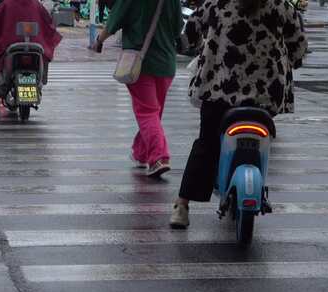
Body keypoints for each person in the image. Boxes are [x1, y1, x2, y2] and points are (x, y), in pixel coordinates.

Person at [169, 0, 307, 228]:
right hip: (265, 97)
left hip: (218, 92)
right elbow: (299, 45)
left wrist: (185, 44)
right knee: (263, 140)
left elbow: (190, 32)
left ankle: (182, 206)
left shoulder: (215, 3)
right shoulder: (281, 6)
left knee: (206, 144)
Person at [92, 0, 183, 178]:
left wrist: (98, 41)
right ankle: (141, 154)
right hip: (166, 63)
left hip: (139, 63)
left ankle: (159, 158)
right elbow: (178, 26)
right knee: (154, 114)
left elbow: (113, 22)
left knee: (147, 112)